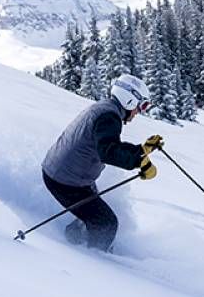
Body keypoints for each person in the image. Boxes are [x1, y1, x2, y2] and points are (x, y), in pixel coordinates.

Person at [41, 74, 163, 252]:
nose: (139, 112)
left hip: (65, 174)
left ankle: (72, 241)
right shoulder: (109, 117)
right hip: (66, 181)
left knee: (93, 213)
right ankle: (97, 264)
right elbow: (108, 152)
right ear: (129, 99)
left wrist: (142, 152)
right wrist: (139, 159)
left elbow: (108, 145)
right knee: (106, 223)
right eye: (141, 105)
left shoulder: (106, 110)